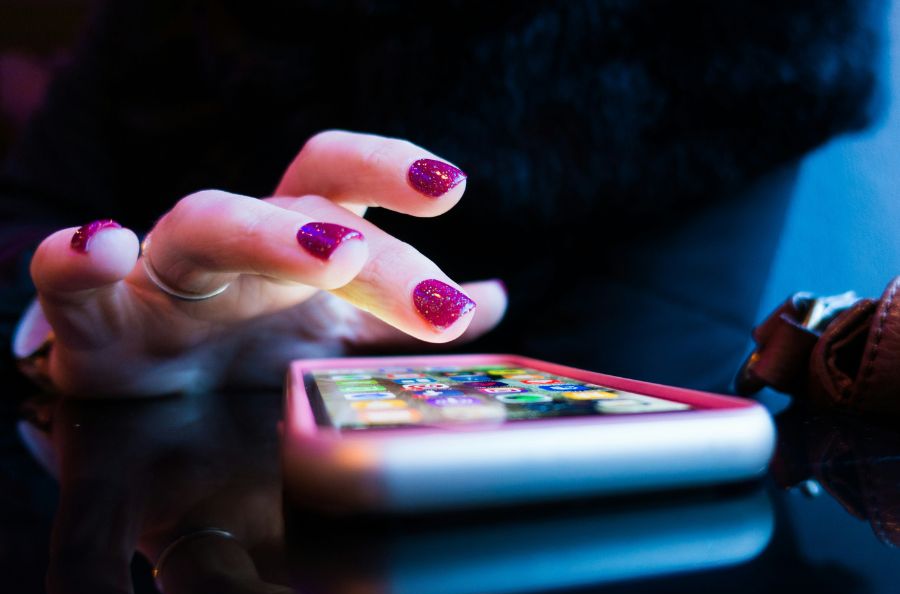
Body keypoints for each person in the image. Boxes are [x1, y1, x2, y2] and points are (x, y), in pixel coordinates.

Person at [2, 0, 881, 396]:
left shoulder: (739, 41)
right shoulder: (162, 21)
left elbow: (631, 393)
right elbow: (27, 217)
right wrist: (57, 343)